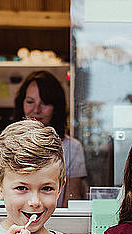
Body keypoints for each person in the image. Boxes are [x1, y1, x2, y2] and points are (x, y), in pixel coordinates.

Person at [13, 70, 87, 207]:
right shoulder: (6, 144)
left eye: (45, 103)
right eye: (30, 102)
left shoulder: (72, 148)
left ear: (56, 107)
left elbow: (71, 203)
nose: (36, 109)